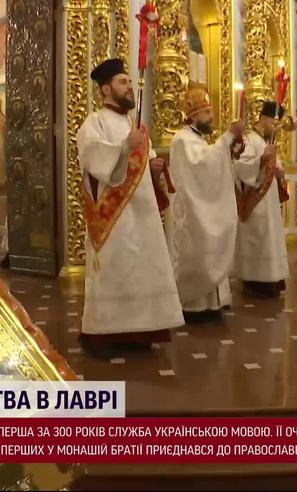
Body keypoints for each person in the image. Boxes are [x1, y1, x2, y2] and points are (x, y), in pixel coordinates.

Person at [76, 58, 184, 356]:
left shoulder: (132, 125)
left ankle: (141, 332)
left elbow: (143, 162)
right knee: (115, 271)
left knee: (141, 270)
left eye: (130, 82)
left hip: (142, 215)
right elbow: (92, 157)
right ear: (105, 89)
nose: (129, 87)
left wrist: (154, 164)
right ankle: (106, 336)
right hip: (114, 218)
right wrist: (124, 147)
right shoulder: (94, 122)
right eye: (123, 82)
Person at [166, 84, 245, 322]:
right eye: (207, 112)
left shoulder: (196, 139)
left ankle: (212, 304)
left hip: (198, 206)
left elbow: (211, 163)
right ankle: (194, 305)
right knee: (198, 252)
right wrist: (227, 136)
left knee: (208, 251)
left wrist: (230, 147)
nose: (211, 117)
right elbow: (202, 166)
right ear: (193, 115)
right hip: (191, 212)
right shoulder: (182, 139)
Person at [233, 101, 289, 299]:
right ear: (264, 119)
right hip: (255, 201)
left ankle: (273, 279)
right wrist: (261, 160)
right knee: (258, 239)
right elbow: (240, 165)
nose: (275, 128)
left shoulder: (264, 141)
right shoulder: (249, 139)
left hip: (269, 200)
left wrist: (279, 171)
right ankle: (255, 282)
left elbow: (274, 165)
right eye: (274, 124)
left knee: (270, 239)